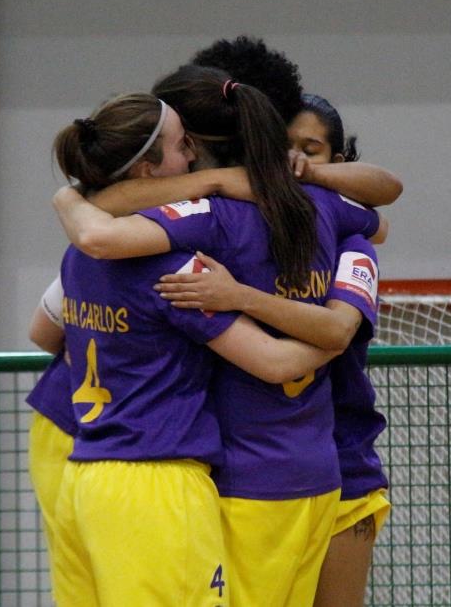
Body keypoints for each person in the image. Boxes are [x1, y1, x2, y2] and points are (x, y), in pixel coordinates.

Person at [53, 69, 386, 606]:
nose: (186, 157)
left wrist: (69, 199)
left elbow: (47, 321)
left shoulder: (91, 252)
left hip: (102, 472)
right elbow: (381, 210)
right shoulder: (326, 226)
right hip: (284, 473)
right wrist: (329, 332)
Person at [157, 92, 391, 607]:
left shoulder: (349, 238)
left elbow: (336, 329)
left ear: (337, 162)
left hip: (340, 460)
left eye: (312, 149)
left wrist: (240, 296)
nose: (293, 160)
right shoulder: (224, 227)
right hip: (244, 469)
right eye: (282, 147)